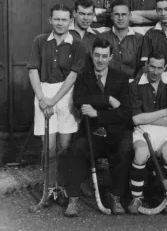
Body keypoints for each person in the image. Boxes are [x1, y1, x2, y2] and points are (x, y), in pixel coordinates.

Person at [62, 38, 133, 216]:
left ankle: (116, 197)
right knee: (77, 148)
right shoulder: (83, 77)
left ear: (111, 57)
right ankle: (73, 199)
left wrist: (98, 113)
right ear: (92, 56)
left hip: (116, 134)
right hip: (92, 132)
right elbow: (79, 101)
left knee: (125, 148)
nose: (100, 60)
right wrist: (108, 100)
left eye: (104, 56)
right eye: (96, 55)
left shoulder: (121, 78)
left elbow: (125, 112)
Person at [27, 4, 86, 189]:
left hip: (66, 95)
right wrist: (43, 98)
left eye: (64, 19)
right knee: (49, 147)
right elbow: (33, 71)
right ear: (50, 20)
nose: (60, 23)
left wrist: (54, 100)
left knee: (65, 146)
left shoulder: (77, 44)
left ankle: (64, 186)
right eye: (57, 19)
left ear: (71, 21)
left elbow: (73, 75)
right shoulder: (40, 41)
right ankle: (50, 186)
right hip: (43, 93)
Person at [128, 52, 167, 214]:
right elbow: (136, 120)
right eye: (152, 67)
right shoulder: (134, 85)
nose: (155, 72)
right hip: (143, 132)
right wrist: (165, 111)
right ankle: (137, 197)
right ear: (146, 66)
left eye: (159, 68)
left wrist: (146, 117)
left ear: (165, 67)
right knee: (141, 154)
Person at [98, 0, 143, 79]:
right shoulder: (101, 38)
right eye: (116, 14)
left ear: (130, 16)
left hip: (131, 85)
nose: (120, 18)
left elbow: (143, 67)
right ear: (111, 16)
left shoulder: (140, 39)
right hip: (107, 85)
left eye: (124, 14)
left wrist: (134, 85)